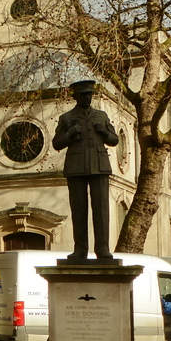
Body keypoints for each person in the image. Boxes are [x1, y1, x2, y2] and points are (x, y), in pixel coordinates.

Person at [52, 79, 120, 261]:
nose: (87, 97)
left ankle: (103, 249)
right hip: (76, 168)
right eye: (83, 95)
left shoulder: (102, 115)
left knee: (102, 210)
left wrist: (104, 133)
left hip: (99, 166)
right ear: (75, 97)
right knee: (79, 210)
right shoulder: (66, 118)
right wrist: (70, 134)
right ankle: (80, 250)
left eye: (90, 94)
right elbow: (56, 143)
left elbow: (114, 140)